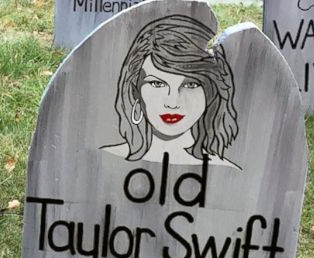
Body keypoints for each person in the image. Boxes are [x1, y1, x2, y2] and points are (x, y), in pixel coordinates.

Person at [101, 15, 239, 167]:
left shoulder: (225, 171)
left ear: (211, 92)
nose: (173, 103)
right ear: (135, 90)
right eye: (157, 83)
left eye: (191, 85)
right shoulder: (103, 158)